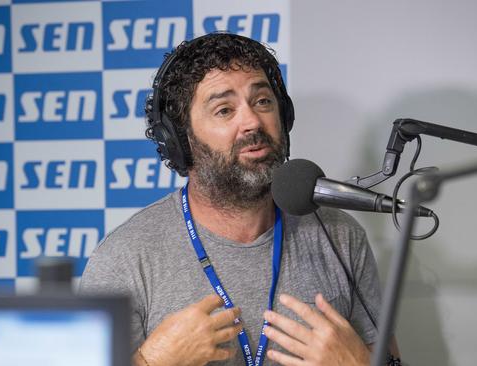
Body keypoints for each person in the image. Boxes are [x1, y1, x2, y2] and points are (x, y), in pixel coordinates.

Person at [80, 32, 399, 366]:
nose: (251, 121)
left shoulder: (340, 237)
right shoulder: (125, 259)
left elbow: (391, 359)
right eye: (224, 110)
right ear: (180, 141)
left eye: (262, 101)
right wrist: (152, 361)